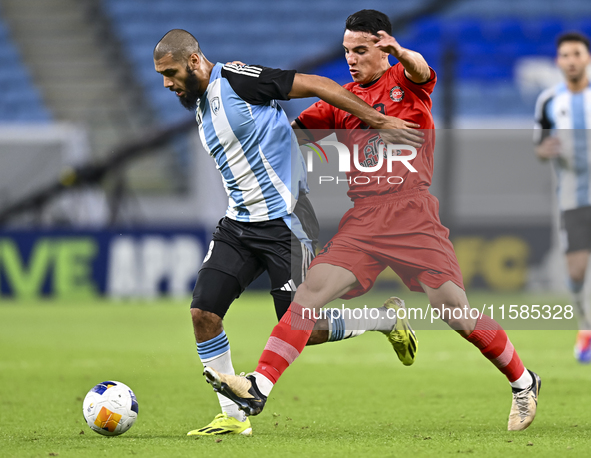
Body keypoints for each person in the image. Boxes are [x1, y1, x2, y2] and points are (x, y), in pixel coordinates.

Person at [204, 9, 541, 432]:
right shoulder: (341, 102)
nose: (351, 58)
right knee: (308, 296)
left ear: (384, 48)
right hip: (363, 219)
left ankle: (524, 383)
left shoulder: (405, 81)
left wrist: (403, 53)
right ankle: (259, 385)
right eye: (347, 51)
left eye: (361, 50)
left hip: (412, 214)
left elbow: (420, 69)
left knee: (455, 313)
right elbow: (291, 136)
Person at [153, 29, 423, 436]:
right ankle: (232, 415)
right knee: (203, 315)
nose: (166, 83)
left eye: (171, 72)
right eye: (161, 75)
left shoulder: (237, 80)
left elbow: (317, 84)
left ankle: (384, 321)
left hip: (285, 222)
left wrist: (378, 120)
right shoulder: (199, 104)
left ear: (194, 61)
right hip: (238, 225)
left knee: (305, 328)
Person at [534, 31, 591, 363]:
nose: (571, 60)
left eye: (577, 54)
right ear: (559, 61)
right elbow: (538, 146)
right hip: (572, 197)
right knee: (576, 272)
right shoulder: (549, 101)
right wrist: (545, 149)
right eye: (565, 55)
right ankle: (586, 328)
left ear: (587, 58)